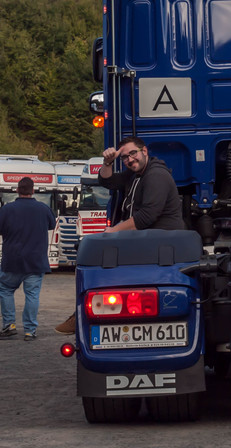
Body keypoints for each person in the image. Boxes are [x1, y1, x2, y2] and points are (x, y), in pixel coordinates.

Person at [55, 136, 185, 334]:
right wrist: (107, 162)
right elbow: (107, 181)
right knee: (89, 253)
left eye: (133, 153)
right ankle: (84, 313)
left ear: (145, 151)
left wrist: (113, 232)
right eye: (125, 157)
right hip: (145, 239)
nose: (130, 159)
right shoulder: (134, 174)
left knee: (99, 255)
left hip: (161, 242)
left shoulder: (156, 175)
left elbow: (146, 217)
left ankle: (83, 315)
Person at [0, 177, 56, 340]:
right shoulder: (43, 209)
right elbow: (51, 225)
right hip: (36, 261)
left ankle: (9, 325)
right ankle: (30, 331)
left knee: (5, 289)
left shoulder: (6, 209)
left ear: (17, 190)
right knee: (32, 295)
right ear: (33, 190)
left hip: (12, 261)